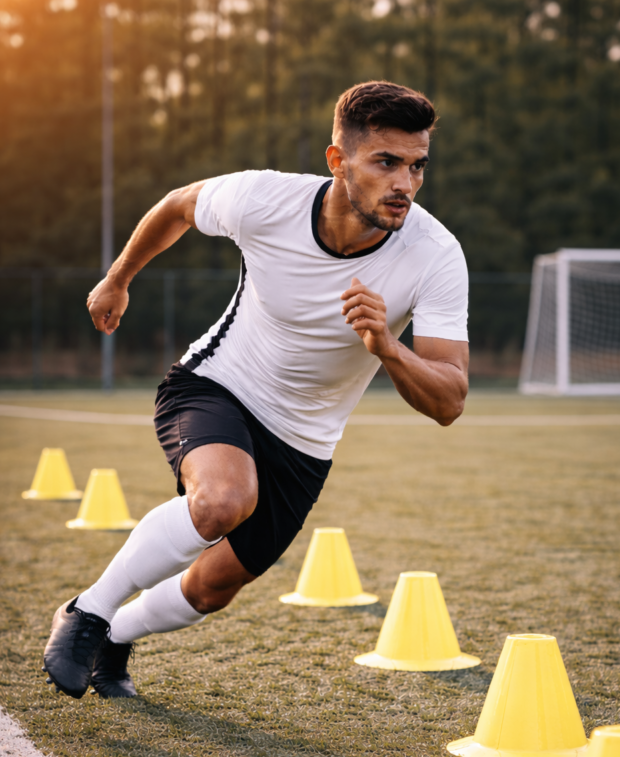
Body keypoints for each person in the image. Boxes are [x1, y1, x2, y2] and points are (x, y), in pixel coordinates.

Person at [43, 80, 470, 699]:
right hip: (219, 384)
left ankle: (115, 635)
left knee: (212, 588)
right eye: (386, 162)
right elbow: (177, 206)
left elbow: (450, 400)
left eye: (417, 165)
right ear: (337, 161)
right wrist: (117, 280)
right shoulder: (264, 198)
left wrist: (388, 348)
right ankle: (88, 611)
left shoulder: (435, 254)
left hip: (306, 442)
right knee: (221, 502)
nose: (405, 183)